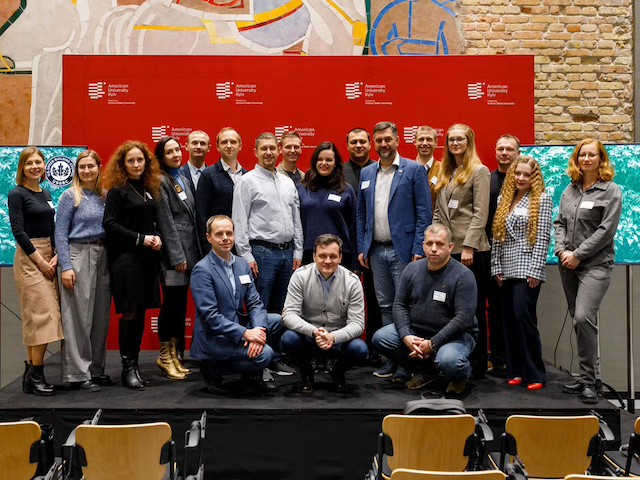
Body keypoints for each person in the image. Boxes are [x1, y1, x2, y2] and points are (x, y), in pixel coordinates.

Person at [356, 121, 432, 379]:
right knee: (386, 305)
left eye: (388, 139)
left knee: (407, 307)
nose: (383, 144)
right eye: (378, 141)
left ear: (398, 140)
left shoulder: (413, 169)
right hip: (376, 251)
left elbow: (424, 213)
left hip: (404, 252)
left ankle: (408, 363)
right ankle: (393, 358)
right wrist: (362, 247)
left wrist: (418, 247)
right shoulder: (367, 173)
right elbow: (361, 214)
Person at [372, 223, 478, 394]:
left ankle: (460, 376)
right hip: (417, 331)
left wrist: (433, 343)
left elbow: (464, 318)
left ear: (450, 247)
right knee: (381, 338)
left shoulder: (464, 276)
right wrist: (406, 335)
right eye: (429, 243)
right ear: (423, 245)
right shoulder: (412, 269)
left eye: (440, 244)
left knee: (450, 361)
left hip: (455, 337)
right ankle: (426, 372)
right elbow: (399, 305)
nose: (433, 249)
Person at [554, 139, 622, 404]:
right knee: (580, 323)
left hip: (595, 265)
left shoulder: (610, 190)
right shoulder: (569, 190)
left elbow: (606, 231)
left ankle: (588, 381)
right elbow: (559, 223)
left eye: (592, 155)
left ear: (600, 159)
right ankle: (589, 380)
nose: (586, 159)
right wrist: (561, 251)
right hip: (567, 265)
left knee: (583, 318)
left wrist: (578, 255)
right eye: (582, 154)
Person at [232, 132, 303, 377]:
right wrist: (247, 256)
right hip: (261, 253)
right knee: (259, 309)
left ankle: (275, 358)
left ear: (279, 150)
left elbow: (296, 220)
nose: (269, 153)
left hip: (287, 254)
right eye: (264, 149)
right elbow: (238, 221)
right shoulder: (247, 181)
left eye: (273, 148)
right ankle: (257, 360)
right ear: (255, 152)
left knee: (282, 310)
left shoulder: (287, 182)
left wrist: (299, 249)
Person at [190, 215, 287, 394]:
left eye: (229, 233)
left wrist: (258, 331)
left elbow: (255, 302)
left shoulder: (241, 265)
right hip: (215, 337)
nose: (225, 238)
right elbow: (211, 316)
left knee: (277, 320)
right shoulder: (202, 270)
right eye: (219, 234)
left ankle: (249, 376)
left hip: (237, 327)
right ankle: (213, 369)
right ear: (208, 238)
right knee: (265, 354)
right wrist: (246, 333)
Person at [103, 140, 163, 390]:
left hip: (147, 260)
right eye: (131, 161)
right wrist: (141, 238)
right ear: (122, 164)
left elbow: (148, 220)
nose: (136, 164)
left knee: (140, 314)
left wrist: (156, 235)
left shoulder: (148, 188)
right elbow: (110, 224)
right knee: (129, 313)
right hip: (126, 260)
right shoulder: (118, 190)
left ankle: (135, 366)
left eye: (140, 160)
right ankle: (127, 368)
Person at [432, 123, 491, 379]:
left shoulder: (479, 171)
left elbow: (480, 213)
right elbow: (439, 211)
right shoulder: (445, 171)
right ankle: (451, 362)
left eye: (460, 139)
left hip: (470, 252)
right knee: (447, 308)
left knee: (473, 310)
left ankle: (477, 367)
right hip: (447, 250)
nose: (455, 143)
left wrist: (468, 245)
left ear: (469, 142)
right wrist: (434, 240)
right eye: (451, 139)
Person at [491, 156, 552, 390]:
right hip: (505, 269)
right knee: (508, 321)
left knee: (523, 319)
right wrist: (495, 266)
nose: (521, 178)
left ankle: (535, 374)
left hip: (527, 269)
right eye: (518, 174)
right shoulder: (503, 198)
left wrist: (536, 269)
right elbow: (497, 235)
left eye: (526, 174)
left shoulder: (542, 199)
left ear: (533, 177)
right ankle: (515, 370)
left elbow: (543, 237)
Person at [282, 234, 368, 393]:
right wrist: (314, 331)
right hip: (308, 336)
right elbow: (289, 315)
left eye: (333, 256)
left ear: (340, 257)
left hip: (338, 339)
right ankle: (306, 373)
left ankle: (338, 372)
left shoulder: (352, 281)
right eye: (322, 256)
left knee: (359, 349)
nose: (327, 261)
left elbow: (358, 324)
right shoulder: (300, 276)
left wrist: (333, 337)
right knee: (288, 339)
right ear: (314, 256)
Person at [55, 150, 111, 392]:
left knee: (100, 317)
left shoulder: (105, 196)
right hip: (78, 254)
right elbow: (59, 232)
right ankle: (78, 373)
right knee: (78, 318)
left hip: (103, 255)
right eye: (82, 167)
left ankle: (96, 370)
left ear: (99, 168)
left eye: (91, 166)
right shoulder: (70, 196)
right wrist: (65, 266)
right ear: (77, 170)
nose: (86, 170)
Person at [9, 147, 63, 395]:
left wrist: (55, 255)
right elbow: (18, 232)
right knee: (42, 316)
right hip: (30, 257)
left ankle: (31, 375)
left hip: (48, 254)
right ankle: (36, 373)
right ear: (22, 168)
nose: (34, 166)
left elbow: (51, 226)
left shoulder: (46, 192)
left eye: (38, 162)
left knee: (40, 317)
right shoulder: (16, 193)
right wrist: (40, 261)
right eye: (29, 163)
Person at [154, 136, 202, 380]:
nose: (175, 154)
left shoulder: (181, 179)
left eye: (177, 150)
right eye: (169, 151)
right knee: (171, 305)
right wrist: (176, 256)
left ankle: (175, 355)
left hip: (190, 254)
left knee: (181, 306)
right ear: (161, 157)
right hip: (174, 258)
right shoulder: (160, 181)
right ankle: (165, 356)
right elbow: (166, 222)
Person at [486, 134, 520, 373]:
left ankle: (515, 357)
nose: (504, 153)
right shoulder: (487, 180)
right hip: (489, 252)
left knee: (516, 309)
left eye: (509, 149)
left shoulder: (525, 181)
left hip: (519, 256)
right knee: (495, 309)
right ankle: (497, 357)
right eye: (500, 149)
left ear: (518, 152)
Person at [297, 141, 357, 268]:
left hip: (339, 255)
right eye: (320, 159)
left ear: (335, 163)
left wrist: (354, 263)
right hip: (308, 254)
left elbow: (354, 227)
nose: (324, 163)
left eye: (329, 160)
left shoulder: (346, 189)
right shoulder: (301, 188)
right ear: (315, 162)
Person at [195, 127, 247, 252]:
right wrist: (208, 247)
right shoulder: (208, 175)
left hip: (244, 246)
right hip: (218, 245)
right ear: (217, 147)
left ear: (240, 146)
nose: (229, 146)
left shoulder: (248, 176)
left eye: (233, 142)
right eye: (224, 142)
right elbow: (202, 215)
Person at [179, 130, 211, 195]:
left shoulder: (213, 175)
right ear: (186, 146)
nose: (198, 147)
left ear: (209, 148)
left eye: (202, 143)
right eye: (194, 143)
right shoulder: (178, 175)